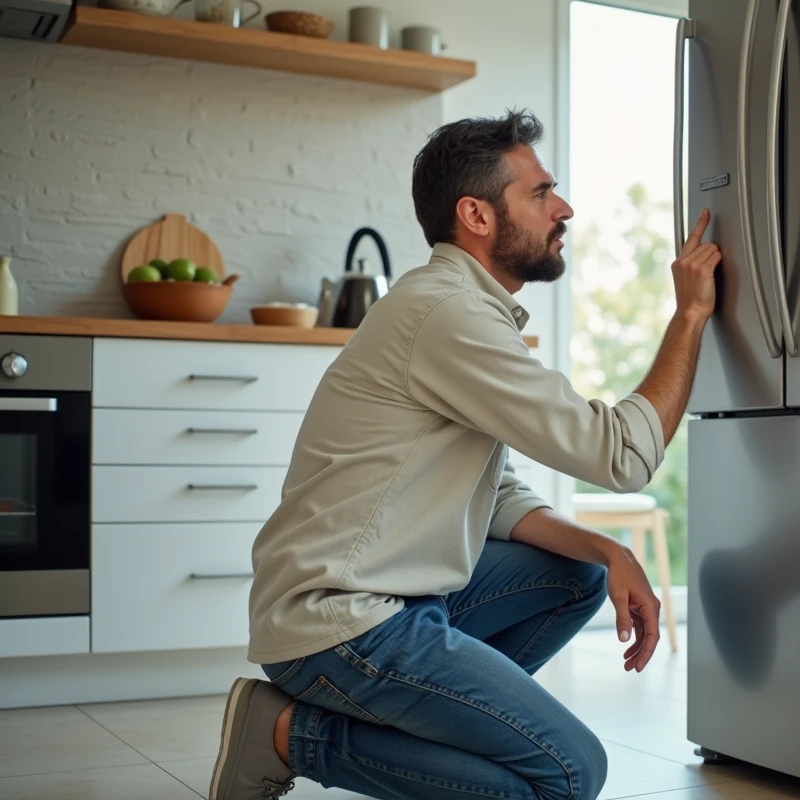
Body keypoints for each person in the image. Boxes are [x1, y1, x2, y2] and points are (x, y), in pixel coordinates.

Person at [207, 108, 721, 800]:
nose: (563, 208)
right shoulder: (449, 314)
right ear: (476, 216)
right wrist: (689, 316)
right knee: (567, 775)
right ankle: (292, 734)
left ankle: (433, 725)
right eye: (540, 194)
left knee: (574, 575)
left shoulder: (458, 309)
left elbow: (498, 492)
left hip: (400, 598)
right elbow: (621, 454)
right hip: (342, 621)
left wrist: (609, 551)